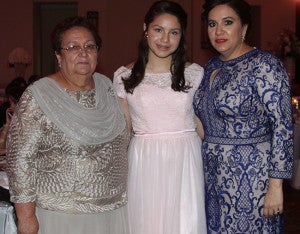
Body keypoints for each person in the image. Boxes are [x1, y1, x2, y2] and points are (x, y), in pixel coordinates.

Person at [6, 16, 130, 234]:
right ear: (58, 56)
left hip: (112, 211)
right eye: (73, 47)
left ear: (97, 53)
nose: (83, 52)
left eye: (90, 46)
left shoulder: (108, 88)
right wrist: (26, 217)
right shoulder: (39, 95)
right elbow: (19, 159)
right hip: (62, 215)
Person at [193, 0, 294, 233]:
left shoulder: (264, 65)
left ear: (245, 28)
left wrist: (276, 186)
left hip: (251, 178)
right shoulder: (210, 66)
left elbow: (282, 126)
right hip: (212, 177)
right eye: (212, 24)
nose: (219, 31)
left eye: (228, 22)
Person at [113, 1, 207, 233]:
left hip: (186, 159)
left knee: (184, 222)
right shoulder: (124, 76)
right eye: (158, 29)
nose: (165, 39)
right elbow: (123, 131)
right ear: (145, 29)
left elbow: (202, 123)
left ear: (181, 35)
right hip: (143, 159)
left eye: (173, 32)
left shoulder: (195, 73)